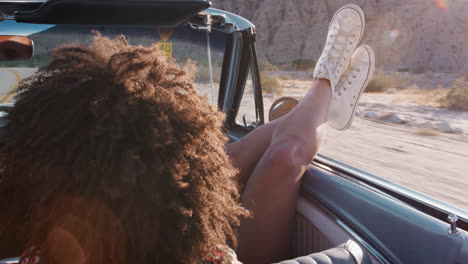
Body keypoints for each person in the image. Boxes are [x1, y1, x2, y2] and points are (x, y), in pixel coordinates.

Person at [0, 4, 374, 264]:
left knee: (279, 151)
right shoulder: (211, 255)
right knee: (285, 154)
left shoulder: (41, 254)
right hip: (187, 240)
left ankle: (316, 102)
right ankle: (323, 88)